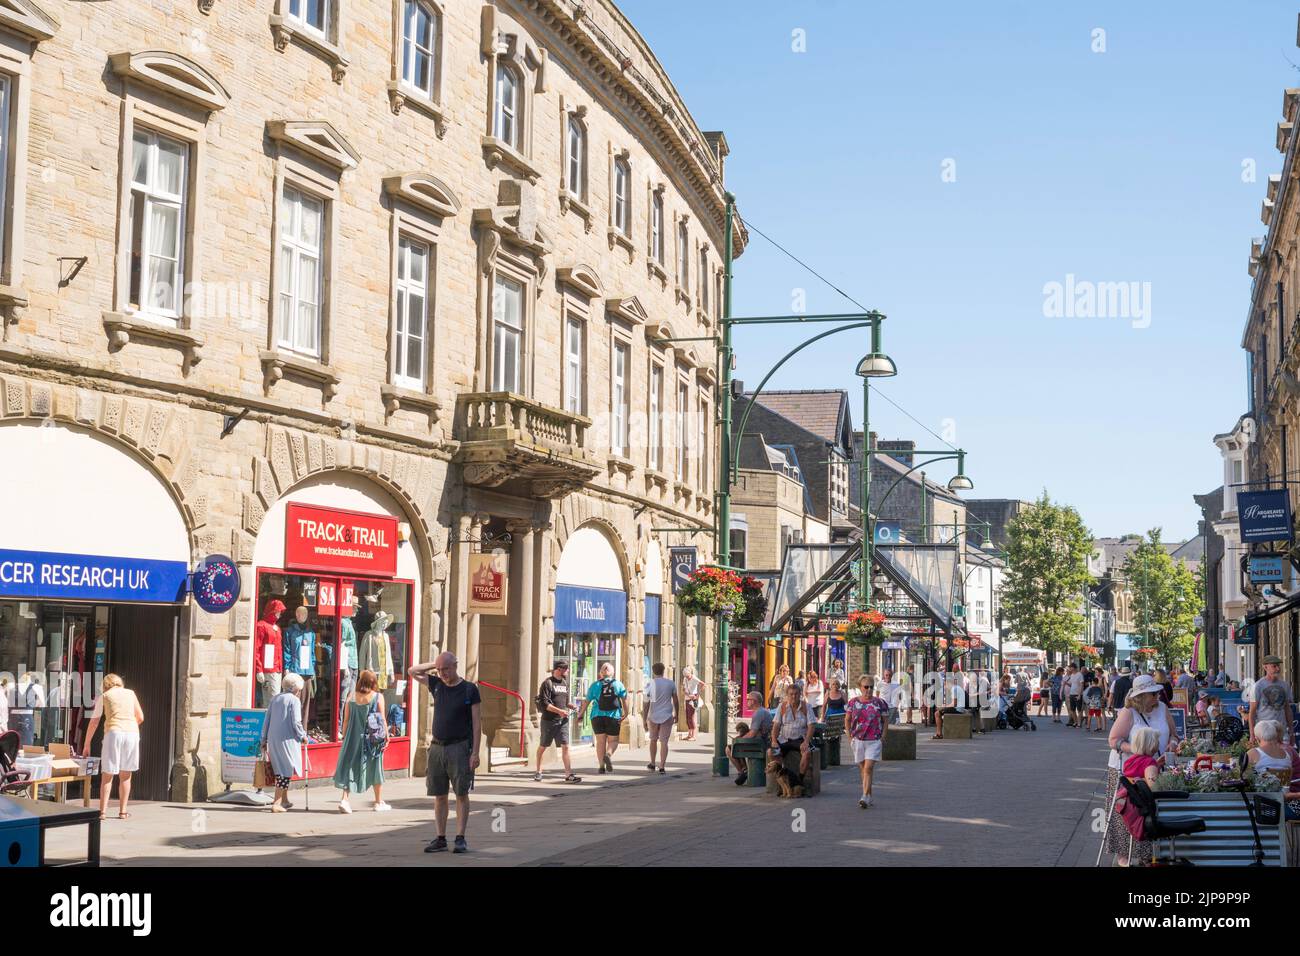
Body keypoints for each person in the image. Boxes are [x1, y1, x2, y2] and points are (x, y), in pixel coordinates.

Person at [409, 652, 481, 854]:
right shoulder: (437, 684)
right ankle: (440, 838)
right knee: (439, 795)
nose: (442, 673)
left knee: (461, 793)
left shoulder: (469, 690)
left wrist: (475, 752)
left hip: (459, 747)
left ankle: (460, 837)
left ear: (455, 666)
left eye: (446, 669)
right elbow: (412, 671)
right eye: (439, 670)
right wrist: (436, 664)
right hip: (437, 748)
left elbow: (477, 724)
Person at [1104, 675, 1180, 866]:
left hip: (1154, 767)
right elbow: (1113, 740)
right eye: (1153, 694)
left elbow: (1174, 734)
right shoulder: (1129, 712)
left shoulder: (1162, 708)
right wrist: (1136, 749)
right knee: (1128, 813)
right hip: (1128, 770)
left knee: (1150, 812)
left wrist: (1172, 744)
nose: (1157, 697)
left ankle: (1149, 855)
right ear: (1142, 696)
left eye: (1157, 693)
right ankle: (1124, 857)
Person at [82, 674, 143, 821]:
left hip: (113, 732)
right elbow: (140, 717)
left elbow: (94, 722)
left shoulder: (104, 696)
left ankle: (102, 812)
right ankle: (123, 812)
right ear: (119, 683)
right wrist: (128, 725)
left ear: (105, 685)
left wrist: (87, 744)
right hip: (132, 733)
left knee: (107, 775)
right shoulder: (131, 693)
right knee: (126, 774)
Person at [332, 668, 390, 814]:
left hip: (352, 738)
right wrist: (387, 735)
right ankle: (378, 802)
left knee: (350, 767)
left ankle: (345, 799)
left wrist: (345, 737)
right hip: (372, 738)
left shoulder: (351, 696)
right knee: (376, 767)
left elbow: (345, 720)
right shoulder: (377, 697)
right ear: (374, 682)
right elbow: (382, 718)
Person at [261, 672, 308, 812]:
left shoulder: (275, 699)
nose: (299, 692)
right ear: (295, 689)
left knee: (281, 767)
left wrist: (263, 739)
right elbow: (296, 722)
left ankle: (285, 800)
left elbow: (267, 720)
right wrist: (303, 736)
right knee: (285, 769)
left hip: (274, 738)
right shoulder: (294, 700)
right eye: (299, 689)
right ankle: (277, 803)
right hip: (287, 738)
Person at [845, 675, 889, 808]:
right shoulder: (853, 702)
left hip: (874, 740)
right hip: (858, 739)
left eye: (871, 687)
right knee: (863, 769)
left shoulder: (879, 703)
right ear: (860, 687)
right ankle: (869, 795)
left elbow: (885, 721)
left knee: (868, 768)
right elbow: (847, 720)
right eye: (866, 687)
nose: (869, 690)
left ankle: (864, 796)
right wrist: (849, 737)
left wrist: (883, 736)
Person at [533, 661, 580, 783]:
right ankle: (538, 771)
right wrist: (559, 711)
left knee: (565, 746)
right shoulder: (547, 683)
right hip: (549, 721)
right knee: (543, 746)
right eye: (566, 669)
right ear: (559, 669)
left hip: (562, 721)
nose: (568, 671)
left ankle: (568, 774)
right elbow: (545, 704)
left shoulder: (565, 683)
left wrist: (572, 706)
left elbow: (565, 702)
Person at [577, 662, 627, 772]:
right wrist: (626, 713)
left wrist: (580, 715)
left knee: (600, 742)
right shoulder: (618, 684)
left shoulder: (595, 685)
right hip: (613, 716)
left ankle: (601, 766)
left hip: (597, 716)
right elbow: (624, 701)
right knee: (613, 741)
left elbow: (586, 702)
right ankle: (608, 755)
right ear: (612, 673)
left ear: (600, 673)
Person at [770, 683, 815, 779]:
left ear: (800, 695)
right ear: (787, 695)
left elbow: (811, 725)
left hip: (800, 739)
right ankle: (783, 776)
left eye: (796, 694)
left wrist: (806, 741)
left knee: (807, 753)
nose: (793, 696)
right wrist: (774, 740)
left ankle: (800, 779)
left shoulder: (807, 707)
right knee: (771, 752)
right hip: (784, 739)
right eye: (791, 694)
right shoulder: (782, 706)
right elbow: (776, 725)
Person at [641, 662, 679, 774]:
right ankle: (662, 766)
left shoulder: (650, 684)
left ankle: (652, 763)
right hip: (667, 715)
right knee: (664, 742)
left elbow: (646, 703)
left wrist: (644, 718)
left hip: (653, 716)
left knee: (653, 740)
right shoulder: (670, 683)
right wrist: (677, 713)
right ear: (663, 671)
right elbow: (676, 700)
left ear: (653, 671)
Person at [1248, 655, 1294, 746]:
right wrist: (1252, 734)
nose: (1277, 669)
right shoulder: (1258, 686)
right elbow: (1252, 712)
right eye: (1274, 666)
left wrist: (1291, 732)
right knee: (1268, 758)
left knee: (1284, 757)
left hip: (1281, 730)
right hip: (1264, 731)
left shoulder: (1284, 685)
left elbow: (1287, 709)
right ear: (1265, 667)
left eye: (1278, 666)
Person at [727, 691, 772, 785]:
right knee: (738, 745)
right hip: (762, 742)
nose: (747, 701)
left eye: (748, 700)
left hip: (761, 745)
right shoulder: (762, 711)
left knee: (729, 748)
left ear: (754, 701)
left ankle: (742, 772)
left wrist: (738, 739)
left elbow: (752, 733)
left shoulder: (758, 713)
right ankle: (744, 770)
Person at [680, 665, 702, 741]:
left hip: (693, 699)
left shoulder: (694, 678)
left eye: (688, 676)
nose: (687, 677)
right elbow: (683, 688)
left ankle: (693, 735)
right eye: (685, 676)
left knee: (692, 717)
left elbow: (703, 684)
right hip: (687, 698)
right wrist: (685, 692)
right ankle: (689, 734)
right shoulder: (685, 679)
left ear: (690, 674)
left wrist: (697, 696)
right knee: (687, 717)